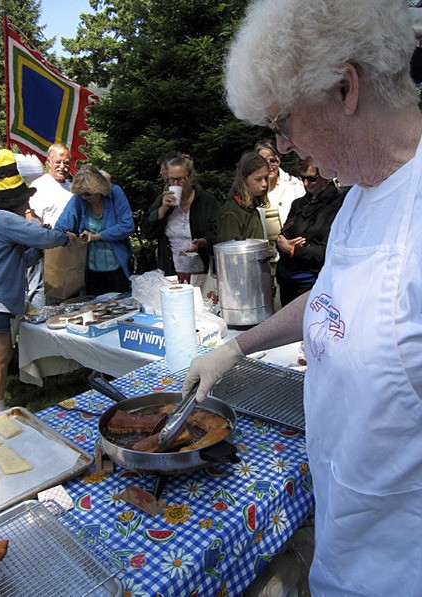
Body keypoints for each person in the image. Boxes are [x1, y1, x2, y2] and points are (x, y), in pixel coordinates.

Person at [182, 1, 422, 594]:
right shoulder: (362, 198)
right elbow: (328, 300)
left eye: (284, 123)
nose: (283, 147)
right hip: (344, 540)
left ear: (345, 87)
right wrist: (236, 349)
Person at [0, 150, 75, 418]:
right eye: (26, 204)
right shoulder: (4, 220)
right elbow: (44, 237)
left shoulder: (0, 223)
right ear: (19, 203)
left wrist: (40, 250)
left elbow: (24, 257)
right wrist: (64, 237)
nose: (28, 208)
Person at [55, 165, 134, 296]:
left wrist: (97, 236)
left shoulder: (115, 193)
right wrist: (68, 234)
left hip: (117, 267)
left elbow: (127, 226)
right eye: (81, 194)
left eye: (88, 194)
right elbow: (60, 227)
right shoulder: (78, 200)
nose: (84, 198)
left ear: (99, 189)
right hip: (90, 271)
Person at [141, 154, 220, 282]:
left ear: (190, 177)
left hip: (203, 273)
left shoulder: (207, 201)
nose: (176, 184)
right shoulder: (163, 201)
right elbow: (147, 233)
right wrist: (162, 210)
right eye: (171, 180)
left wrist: (203, 241)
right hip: (172, 272)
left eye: (181, 179)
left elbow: (219, 233)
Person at [276, 161, 344, 306]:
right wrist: (281, 243)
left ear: (326, 175)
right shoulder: (298, 204)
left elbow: (325, 252)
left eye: (312, 178)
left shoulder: (338, 205)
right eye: (302, 178)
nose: (306, 183)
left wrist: (292, 249)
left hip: (313, 282)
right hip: (287, 277)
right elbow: (282, 237)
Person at [26, 143, 73, 307]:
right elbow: (29, 216)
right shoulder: (39, 186)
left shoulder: (71, 187)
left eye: (66, 162)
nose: (62, 166)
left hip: (68, 252)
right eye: (58, 162)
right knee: (41, 300)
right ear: (48, 162)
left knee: (65, 300)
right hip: (43, 253)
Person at [254, 139, 305, 253]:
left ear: (279, 160)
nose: (269, 166)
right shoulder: (251, 191)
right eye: (263, 161)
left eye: (273, 160)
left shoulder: (295, 186)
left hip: (288, 255)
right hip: (261, 257)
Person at [217, 151, 269, 243]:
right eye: (258, 179)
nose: (264, 184)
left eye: (266, 178)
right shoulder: (232, 212)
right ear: (244, 180)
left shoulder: (252, 208)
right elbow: (230, 250)